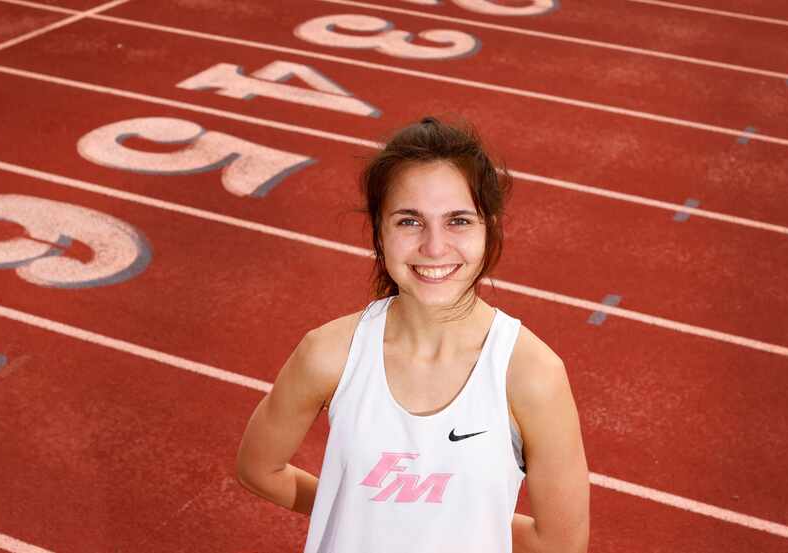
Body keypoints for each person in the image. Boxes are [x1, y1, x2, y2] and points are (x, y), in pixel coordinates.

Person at [236, 116, 590, 553]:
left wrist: (464, 522)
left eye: (458, 221)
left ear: (490, 229)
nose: (435, 247)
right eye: (409, 221)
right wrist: (356, 507)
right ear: (379, 233)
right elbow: (259, 469)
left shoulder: (532, 375)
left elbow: (559, 544)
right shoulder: (328, 354)